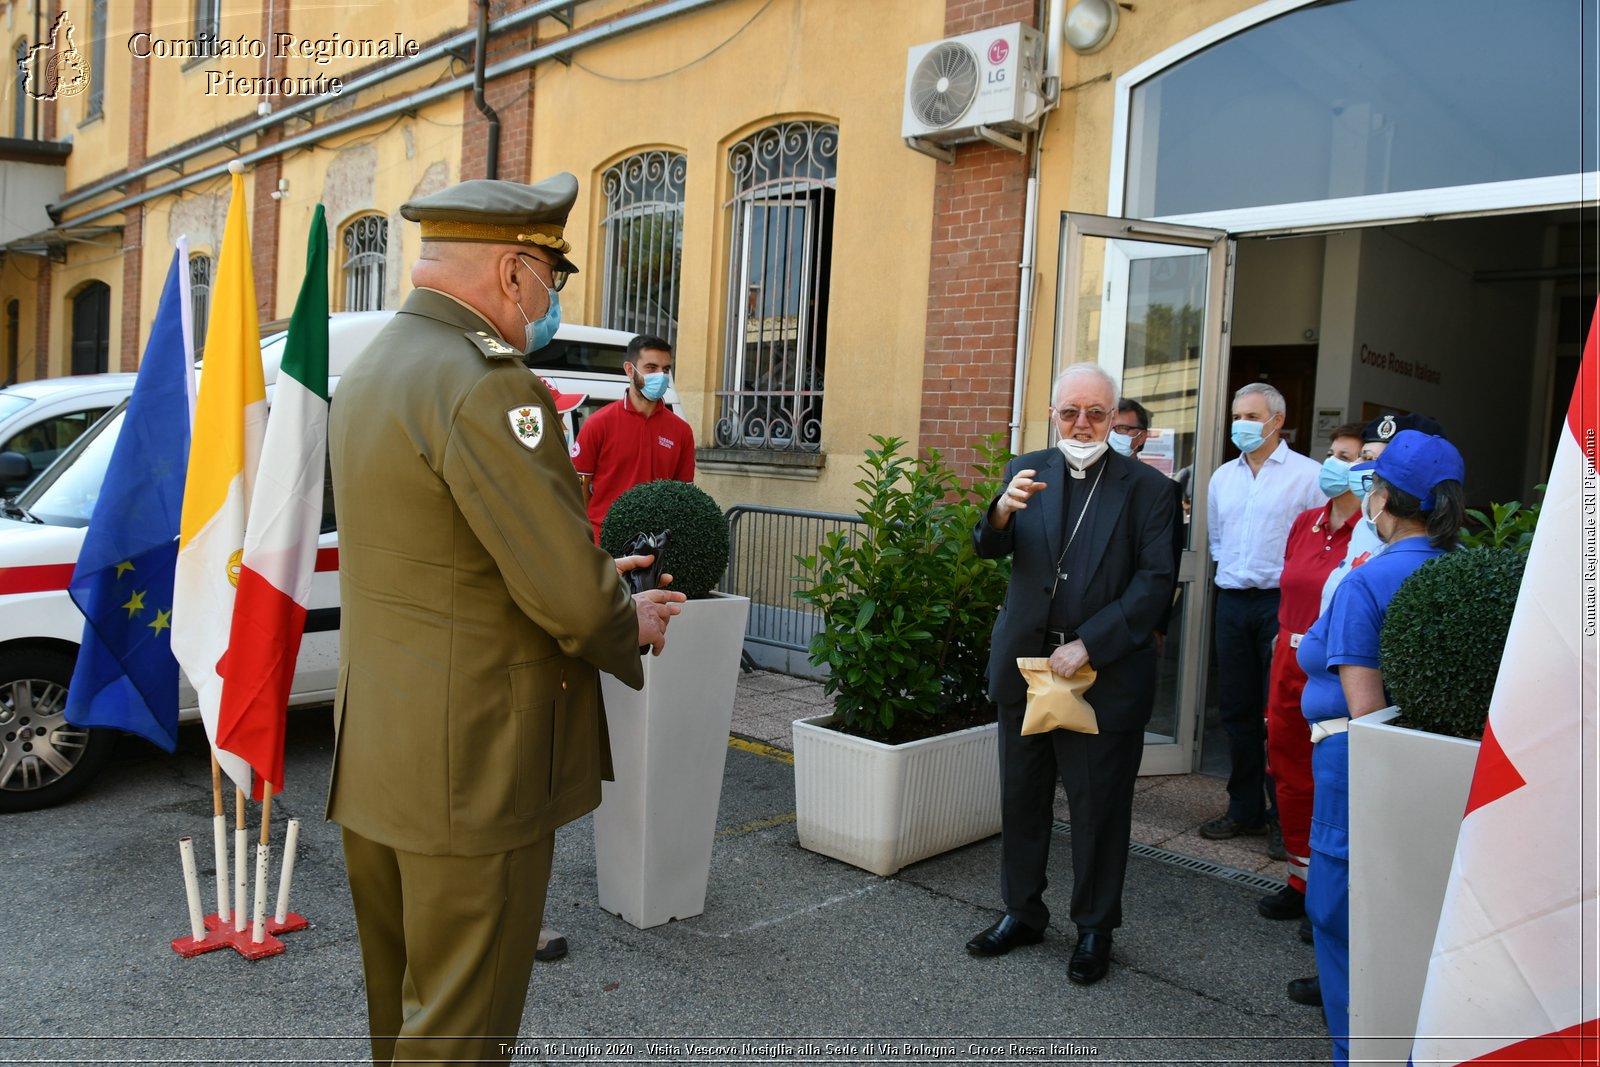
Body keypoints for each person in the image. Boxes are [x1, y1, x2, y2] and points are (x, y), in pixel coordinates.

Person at [326, 173, 686, 1065]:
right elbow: (564, 591)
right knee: (458, 1036)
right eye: (550, 280)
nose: (549, 304)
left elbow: (460, 554)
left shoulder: (373, 366)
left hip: (382, 755)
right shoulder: (490, 383)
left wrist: (594, 572)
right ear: (514, 271)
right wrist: (625, 613)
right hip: (474, 768)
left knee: (404, 1020)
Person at [965, 364, 1177, 986]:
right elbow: (989, 548)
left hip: (1101, 673)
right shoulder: (1025, 471)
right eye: (1069, 412)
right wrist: (1000, 511)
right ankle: (1021, 911)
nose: (1081, 424)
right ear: (1052, 414)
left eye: (1096, 413)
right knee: (1021, 798)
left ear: (1117, 420)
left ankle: (1094, 928)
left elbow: (1155, 584)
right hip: (1028, 668)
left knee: (1098, 808)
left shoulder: (1148, 490)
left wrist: (1091, 643)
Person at [1297, 430, 1465, 1065]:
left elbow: (1366, 714)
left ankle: (1355, 1053)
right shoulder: (1459, 570)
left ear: (1384, 495)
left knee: (1339, 915)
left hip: (1356, 766)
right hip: (1432, 767)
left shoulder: (1369, 580)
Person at [1257, 423, 1365, 965]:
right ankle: (1299, 881)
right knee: (1288, 772)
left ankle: (1327, 891)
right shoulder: (1306, 522)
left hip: (1331, 672)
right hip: (1287, 663)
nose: (1334, 464)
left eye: (1347, 457)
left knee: (1331, 782)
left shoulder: (1370, 534)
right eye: (1332, 454)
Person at [1200, 383, 1322, 848]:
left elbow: (1315, 545)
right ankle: (1243, 808)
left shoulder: (1308, 476)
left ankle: (1281, 818)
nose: (1242, 425)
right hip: (1232, 601)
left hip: (1280, 605)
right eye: (1237, 415)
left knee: (1281, 716)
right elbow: (1217, 540)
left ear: (1276, 420)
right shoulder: (1222, 478)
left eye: (1252, 416)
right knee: (1236, 710)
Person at [1318, 412, 1446, 615]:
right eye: (1362, 455)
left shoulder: (1420, 541)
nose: (1357, 464)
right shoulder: (1366, 524)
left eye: (1370, 459)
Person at [570, 334, 695, 541]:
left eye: (665, 369)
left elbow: (681, 495)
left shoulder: (681, 431)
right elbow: (578, 489)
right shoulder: (598, 423)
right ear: (629, 370)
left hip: (655, 544)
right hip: (604, 542)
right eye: (651, 367)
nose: (661, 376)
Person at [1112, 398, 1185, 648]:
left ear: (1141, 437)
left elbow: (1167, 564)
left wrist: (1158, 625)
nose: (1115, 434)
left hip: (1137, 620)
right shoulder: (1085, 483)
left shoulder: (1163, 490)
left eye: (1123, 429)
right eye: (1111, 427)